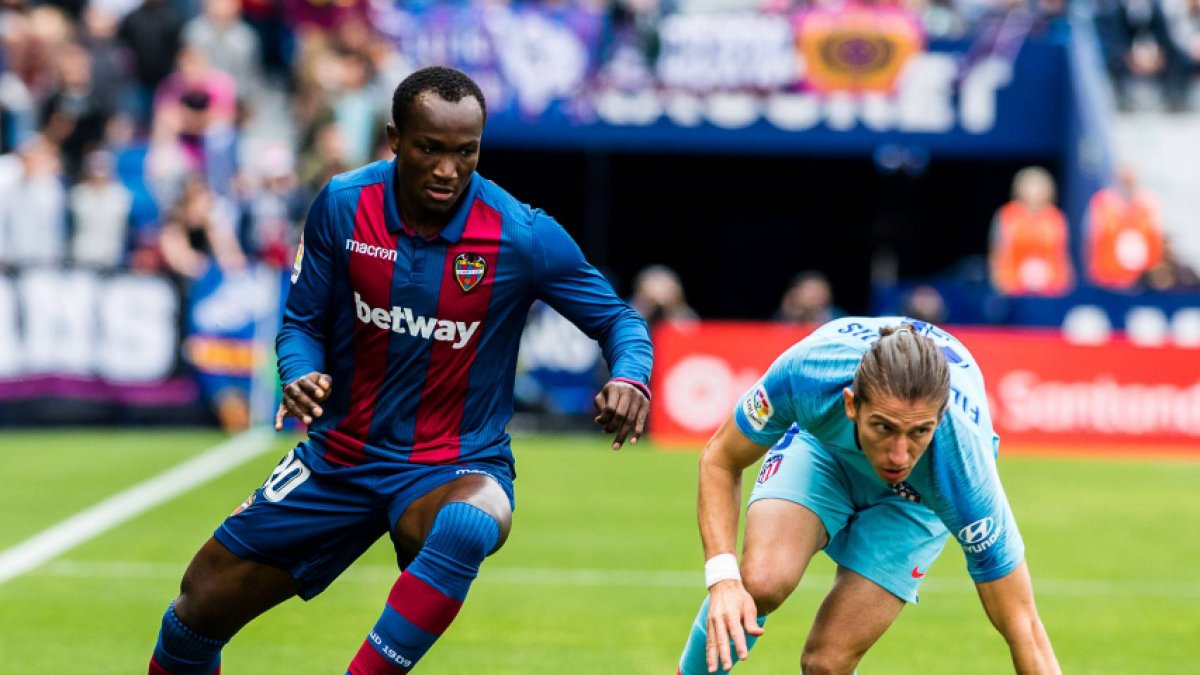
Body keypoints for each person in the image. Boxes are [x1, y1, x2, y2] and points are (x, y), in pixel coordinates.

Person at [147, 66, 653, 674]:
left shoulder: (520, 234)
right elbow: (301, 323)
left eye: (466, 152)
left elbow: (619, 320)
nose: (448, 170)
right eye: (430, 149)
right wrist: (300, 371)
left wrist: (629, 377)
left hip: (452, 461)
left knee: (470, 519)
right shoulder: (342, 204)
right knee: (194, 615)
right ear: (394, 137)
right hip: (341, 457)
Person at [676, 317, 1059, 675]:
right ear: (851, 404)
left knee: (826, 663)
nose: (898, 455)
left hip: (915, 500)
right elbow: (720, 459)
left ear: (939, 420)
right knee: (760, 582)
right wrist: (723, 580)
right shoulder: (808, 374)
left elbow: (1023, 625)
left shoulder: (963, 468)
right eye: (883, 427)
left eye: (919, 432)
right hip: (826, 451)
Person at [989, 166, 1073, 297]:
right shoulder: (1006, 216)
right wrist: (1000, 283)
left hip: (1050, 291)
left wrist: (1064, 284)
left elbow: (1062, 255)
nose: (1034, 192)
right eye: (1030, 186)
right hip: (1014, 290)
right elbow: (997, 252)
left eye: (1039, 187)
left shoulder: (1056, 218)